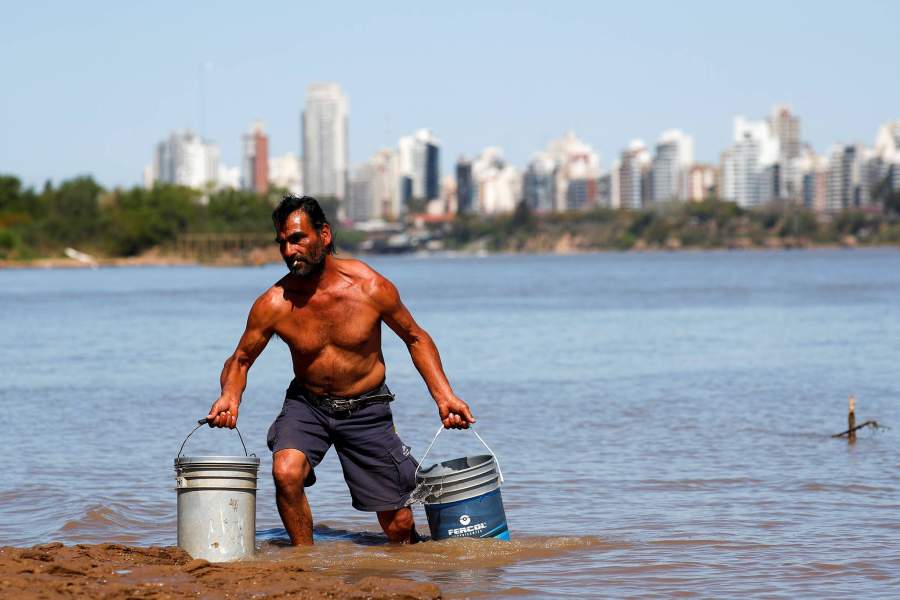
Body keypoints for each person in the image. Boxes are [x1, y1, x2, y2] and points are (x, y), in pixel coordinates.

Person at [206, 195, 475, 545]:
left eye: (298, 238)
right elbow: (240, 359)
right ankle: (304, 564)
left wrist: (445, 396)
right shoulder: (274, 303)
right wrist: (230, 394)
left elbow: (415, 338)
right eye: (283, 242)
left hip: (366, 408)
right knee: (285, 471)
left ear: (325, 235)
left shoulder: (370, 287)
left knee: (398, 527)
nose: (289, 251)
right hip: (308, 405)